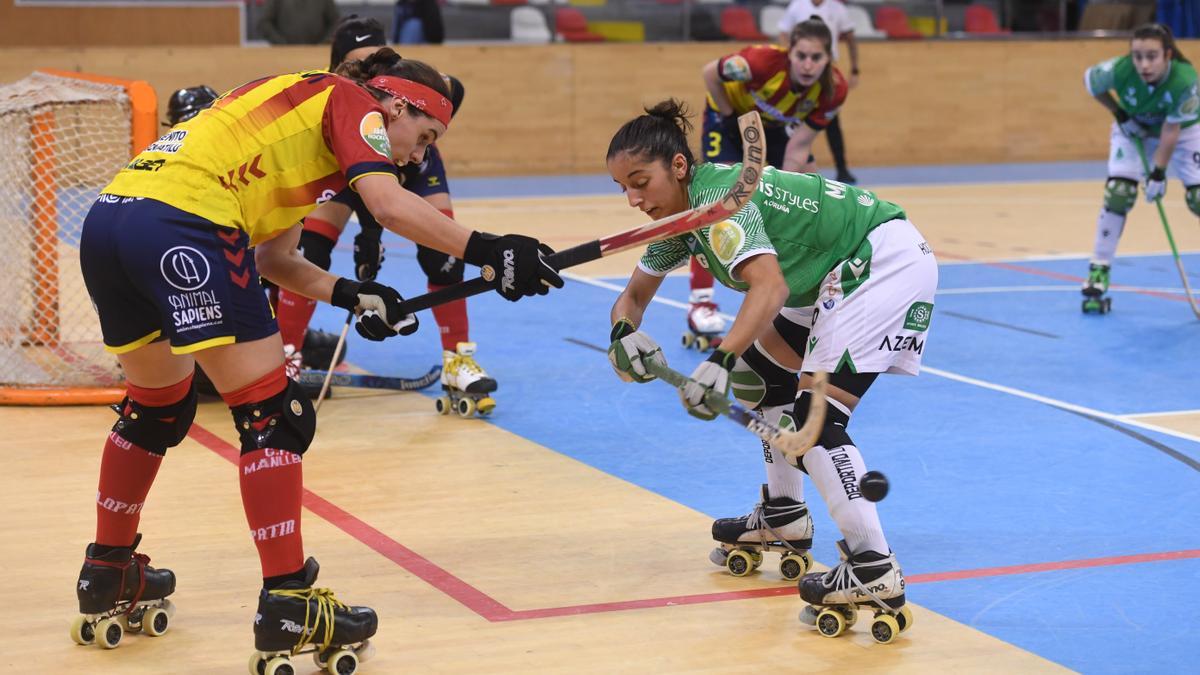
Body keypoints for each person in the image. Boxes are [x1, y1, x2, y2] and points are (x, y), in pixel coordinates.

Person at [70, 51, 562, 668]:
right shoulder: (351, 101)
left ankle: (107, 571)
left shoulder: (301, 123)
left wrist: (354, 295)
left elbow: (276, 259)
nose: (417, 156)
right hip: (184, 225)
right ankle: (289, 602)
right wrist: (490, 249)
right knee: (274, 414)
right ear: (398, 106)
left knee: (155, 411)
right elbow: (385, 204)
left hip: (112, 224)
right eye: (425, 136)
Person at [605, 100, 931, 641]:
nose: (635, 199)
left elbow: (771, 287)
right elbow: (632, 299)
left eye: (641, 182)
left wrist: (718, 359)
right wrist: (622, 335)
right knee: (763, 383)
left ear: (680, 168)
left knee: (816, 423)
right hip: (830, 270)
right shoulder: (680, 218)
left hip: (873, 259)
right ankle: (783, 514)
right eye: (624, 188)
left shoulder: (719, 201)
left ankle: (873, 565)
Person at [274, 15, 493, 412]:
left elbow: (449, 95)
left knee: (444, 254)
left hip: (407, 163)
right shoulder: (332, 100)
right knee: (309, 251)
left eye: (381, 60)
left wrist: (372, 234)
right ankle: (286, 354)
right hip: (346, 165)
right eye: (362, 63)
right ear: (339, 65)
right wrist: (368, 236)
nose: (375, 72)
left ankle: (458, 358)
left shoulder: (415, 93)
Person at [692, 18, 849, 354]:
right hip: (729, 120)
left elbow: (799, 147)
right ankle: (700, 305)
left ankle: (790, 309)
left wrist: (783, 187)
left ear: (828, 59)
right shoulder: (759, 62)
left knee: (797, 193)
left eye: (816, 58)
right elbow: (710, 72)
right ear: (789, 53)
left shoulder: (833, 90)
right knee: (718, 209)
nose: (808, 65)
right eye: (802, 56)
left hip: (775, 131)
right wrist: (726, 113)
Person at [1082, 22, 1200, 314]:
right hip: (1134, 128)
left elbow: (1171, 131)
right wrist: (1120, 113)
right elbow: (1090, 82)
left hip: (1182, 131)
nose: (1143, 64)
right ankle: (1099, 271)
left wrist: (1158, 173)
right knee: (1119, 194)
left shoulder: (1185, 80)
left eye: (1152, 56)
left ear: (1167, 55)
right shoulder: (1120, 70)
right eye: (1138, 56)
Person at [777, 0, 860, 185]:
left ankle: (842, 168)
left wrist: (855, 68)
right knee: (789, 122)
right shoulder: (797, 6)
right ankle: (786, 170)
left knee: (832, 125)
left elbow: (851, 38)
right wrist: (789, 59)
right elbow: (783, 33)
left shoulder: (837, 8)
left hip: (825, 74)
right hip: (799, 74)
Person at [257, 0, 341, 45]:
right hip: (283, 55)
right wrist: (281, 44)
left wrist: (323, 43)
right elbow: (264, 23)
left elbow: (335, 21)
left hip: (316, 55)